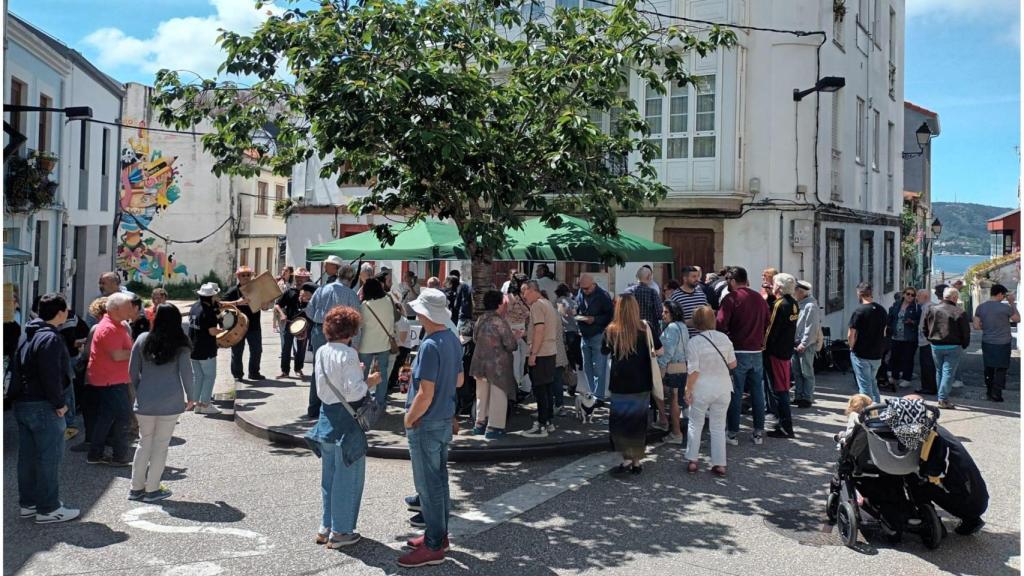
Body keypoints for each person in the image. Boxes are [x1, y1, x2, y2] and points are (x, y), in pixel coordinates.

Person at [399, 288, 463, 568]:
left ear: (424, 313)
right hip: (443, 417)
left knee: (428, 485)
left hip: (426, 420)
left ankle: (434, 544)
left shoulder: (430, 344)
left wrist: (409, 418)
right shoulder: (451, 338)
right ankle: (438, 536)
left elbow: (425, 393)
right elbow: (459, 380)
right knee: (439, 481)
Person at [309, 306, 380, 548]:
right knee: (348, 477)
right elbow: (354, 390)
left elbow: (321, 387)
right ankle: (341, 531)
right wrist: (369, 381)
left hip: (326, 418)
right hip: (347, 422)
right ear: (351, 331)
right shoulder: (349, 354)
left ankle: (326, 525)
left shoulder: (321, 351)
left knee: (328, 477)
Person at [10, 293, 80, 523]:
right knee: (49, 458)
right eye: (66, 310)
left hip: (23, 402)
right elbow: (50, 374)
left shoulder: (27, 334)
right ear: (60, 313)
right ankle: (48, 508)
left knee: (28, 458)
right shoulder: (50, 338)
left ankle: (28, 504)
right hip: (44, 404)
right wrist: (60, 404)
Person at [128, 304, 195, 503]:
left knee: (144, 443)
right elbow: (186, 374)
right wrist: (191, 397)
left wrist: (140, 390)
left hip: (145, 401)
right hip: (170, 401)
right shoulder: (181, 344)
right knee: (161, 446)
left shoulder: (141, 339)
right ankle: (152, 489)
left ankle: (136, 487)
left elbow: (132, 373)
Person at [603, 294, 661, 475]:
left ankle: (627, 460)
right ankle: (636, 461)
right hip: (641, 382)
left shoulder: (611, 330)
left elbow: (604, 350)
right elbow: (659, 350)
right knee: (638, 421)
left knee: (621, 422)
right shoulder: (645, 328)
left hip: (620, 382)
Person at [716, 267, 769, 446]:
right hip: (756, 351)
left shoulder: (730, 299)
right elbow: (767, 322)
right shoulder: (760, 299)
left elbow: (720, 325)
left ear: (731, 280)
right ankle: (758, 432)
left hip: (737, 351)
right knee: (757, 393)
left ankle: (732, 433)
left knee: (736, 392)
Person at [683, 306, 736, 476]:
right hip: (723, 387)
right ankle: (719, 463)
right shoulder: (725, 339)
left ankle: (693, 460)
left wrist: (688, 389)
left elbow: (694, 371)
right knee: (718, 426)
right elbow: (733, 364)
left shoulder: (694, 342)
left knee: (695, 423)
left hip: (702, 387)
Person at [913, 420, 989, 536]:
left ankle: (929, 521)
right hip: (979, 497)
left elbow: (931, 473)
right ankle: (970, 519)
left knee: (915, 479)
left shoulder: (927, 436)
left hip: (968, 503)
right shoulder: (935, 429)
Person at [86, 292, 135, 466]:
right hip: (110, 380)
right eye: (128, 306)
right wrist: (137, 352)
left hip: (112, 378)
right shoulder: (109, 328)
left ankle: (95, 454)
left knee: (106, 416)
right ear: (115, 309)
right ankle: (119, 456)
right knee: (124, 416)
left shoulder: (117, 324)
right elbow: (117, 355)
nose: (132, 308)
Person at [306, 264, 361, 418]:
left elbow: (309, 312)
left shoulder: (321, 289)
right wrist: (355, 345)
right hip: (340, 335)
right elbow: (356, 321)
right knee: (337, 370)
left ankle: (313, 408)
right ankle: (331, 408)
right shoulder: (351, 294)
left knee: (319, 369)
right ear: (350, 279)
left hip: (318, 330)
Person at [468, 290, 517, 440]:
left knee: (481, 396)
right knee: (498, 395)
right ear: (499, 304)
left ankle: (479, 424)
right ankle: (494, 427)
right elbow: (510, 344)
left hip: (479, 363)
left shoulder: (480, 319)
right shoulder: (499, 321)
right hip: (497, 366)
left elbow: (475, 338)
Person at [521, 280, 560, 438]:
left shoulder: (537, 305)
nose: (523, 296)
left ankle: (542, 424)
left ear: (531, 290)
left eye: (524, 292)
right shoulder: (547, 303)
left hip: (541, 353)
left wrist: (533, 354)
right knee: (547, 389)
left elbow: (539, 329)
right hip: (550, 351)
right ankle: (548, 422)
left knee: (540, 391)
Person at [923, 286, 972, 409]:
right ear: (954, 297)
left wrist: (929, 339)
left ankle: (941, 397)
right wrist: (964, 344)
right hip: (953, 346)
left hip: (936, 345)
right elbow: (966, 331)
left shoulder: (932, 309)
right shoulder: (959, 312)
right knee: (948, 372)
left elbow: (925, 327)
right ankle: (942, 399)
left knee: (940, 371)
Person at [764, 273, 800, 440]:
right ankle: (783, 424)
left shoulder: (780, 305)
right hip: (786, 350)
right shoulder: (793, 303)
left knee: (779, 390)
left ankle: (786, 427)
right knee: (782, 388)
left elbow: (771, 330)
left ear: (778, 287)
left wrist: (764, 347)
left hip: (776, 352)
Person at [974, 284, 1019, 402]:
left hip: (988, 341)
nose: (1004, 298)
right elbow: (1017, 319)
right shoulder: (1006, 308)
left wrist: (987, 327)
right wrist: (1012, 303)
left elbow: (976, 326)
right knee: (1001, 368)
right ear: (999, 294)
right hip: (1003, 342)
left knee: (988, 367)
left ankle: (989, 391)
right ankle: (997, 393)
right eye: (1004, 296)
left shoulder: (980, 307)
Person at [221, 266, 265, 381]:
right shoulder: (233, 291)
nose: (246, 277)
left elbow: (264, 306)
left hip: (254, 325)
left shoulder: (257, 290)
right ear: (238, 277)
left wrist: (265, 305)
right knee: (237, 351)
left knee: (257, 350)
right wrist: (237, 302)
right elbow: (220, 304)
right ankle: (237, 374)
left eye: (248, 275)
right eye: (243, 275)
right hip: (237, 327)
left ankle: (254, 373)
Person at [358, 278, 396, 411]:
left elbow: (360, 325)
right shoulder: (387, 301)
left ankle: (363, 399)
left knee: (362, 373)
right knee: (383, 374)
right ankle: (380, 402)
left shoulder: (364, 305)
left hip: (366, 344)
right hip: (384, 343)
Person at [847, 282, 888, 403]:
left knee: (865, 386)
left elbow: (851, 334)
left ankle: (869, 413)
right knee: (872, 381)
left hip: (861, 353)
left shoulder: (859, 311)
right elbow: (884, 332)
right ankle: (877, 407)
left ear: (859, 294)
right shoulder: (882, 310)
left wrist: (851, 347)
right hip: (877, 353)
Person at [576, 273, 614, 401]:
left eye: (586, 288)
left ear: (593, 284)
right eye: (582, 288)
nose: (584, 291)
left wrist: (595, 319)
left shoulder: (603, 295)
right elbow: (578, 310)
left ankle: (599, 397)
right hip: (584, 334)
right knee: (587, 366)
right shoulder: (580, 293)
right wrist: (576, 316)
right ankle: (591, 395)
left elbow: (610, 316)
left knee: (599, 368)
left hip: (598, 334)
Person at [188, 283, 225, 415]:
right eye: (216, 294)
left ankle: (197, 404)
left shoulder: (194, 307)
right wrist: (224, 330)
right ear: (211, 296)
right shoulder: (208, 311)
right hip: (206, 348)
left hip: (193, 348)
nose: (217, 296)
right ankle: (205, 404)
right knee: (209, 376)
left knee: (198, 377)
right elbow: (212, 331)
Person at [657, 300, 689, 443]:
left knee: (674, 401)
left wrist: (660, 366)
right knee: (675, 400)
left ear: (673, 313)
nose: (663, 315)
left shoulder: (672, 328)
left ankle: (676, 433)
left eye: (666, 312)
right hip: (682, 367)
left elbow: (668, 351)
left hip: (672, 368)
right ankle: (669, 426)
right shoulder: (682, 326)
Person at [275, 271, 314, 379]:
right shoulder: (289, 292)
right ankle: (285, 371)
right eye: (297, 277)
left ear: (307, 279)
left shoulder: (311, 292)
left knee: (301, 348)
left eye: (302, 277)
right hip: (290, 323)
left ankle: (298, 369)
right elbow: (277, 305)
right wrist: (282, 314)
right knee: (286, 348)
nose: (299, 279)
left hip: (304, 324)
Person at [886, 287, 922, 390]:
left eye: (912, 295)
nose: (910, 296)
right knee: (895, 357)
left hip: (910, 337)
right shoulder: (896, 305)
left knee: (908, 358)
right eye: (908, 294)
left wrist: (912, 322)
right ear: (904, 294)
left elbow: (919, 321)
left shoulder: (916, 307)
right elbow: (891, 317)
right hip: (896, 336)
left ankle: (906, 379)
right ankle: (894, 376)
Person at [792, 280, 820, 408]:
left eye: (795, 290)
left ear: (801, 292)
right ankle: (798, 396)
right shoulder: (800, 303)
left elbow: (811, 327)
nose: (794, 293)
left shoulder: (810, 306)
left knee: (806, 372)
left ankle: (807, 397)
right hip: (796, 342)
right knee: (797, 371)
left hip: (805, 344)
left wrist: (804, 343)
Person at [670, 265, 708, 337]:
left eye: (697, 276)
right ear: (685, 278)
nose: (697, 279)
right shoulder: (676, 296)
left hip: (702, 340)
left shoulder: (701, 295)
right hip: (684, 340)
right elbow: (672, 321)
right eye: (693, 277)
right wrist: (687, 322)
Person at [627, 266, 662, 340]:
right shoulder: (653, 293)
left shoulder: (628, 292)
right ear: (649, 277)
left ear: (637, 277)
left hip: (632, 332)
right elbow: (660, 314)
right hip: (650, 333)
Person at [914, 289, 938, 395]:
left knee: (927, 365)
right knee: (929, 365)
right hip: (931, 341)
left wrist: (924, 339)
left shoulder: (927, 307)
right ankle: (930, 386)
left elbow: (923, 326)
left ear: (925, 297)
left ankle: (928, 388)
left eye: (918, 296)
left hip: (927, 342)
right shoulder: (931, 306)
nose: (916, 298)